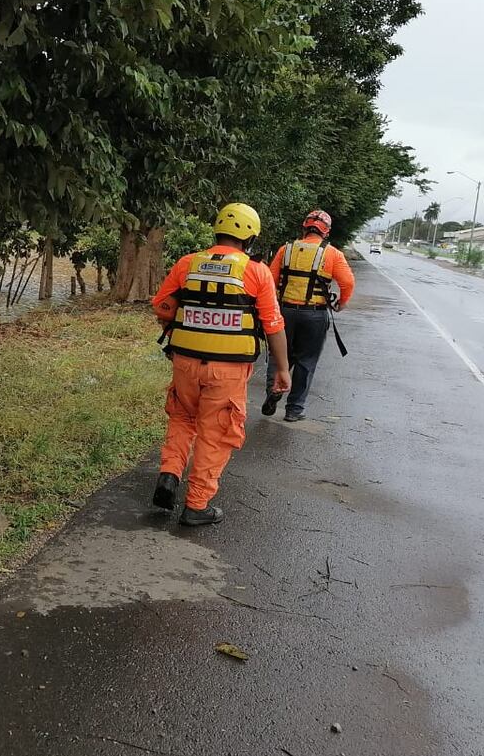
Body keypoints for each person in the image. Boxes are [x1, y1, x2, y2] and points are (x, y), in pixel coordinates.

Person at [151, 203, 291, 526]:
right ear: (250, 238)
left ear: (217, 230)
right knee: (216, 431)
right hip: (227, 371)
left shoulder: (188, 263)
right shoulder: (256, 272)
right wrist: (282, 369)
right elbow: (273, 325)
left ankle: (170, 474)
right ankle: (196, 504)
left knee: (183, 418)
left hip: (184, 363)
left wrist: (177, 329)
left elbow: (162, 306)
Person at [262, 209, 355, 423]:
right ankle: (294, 409)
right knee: (306, 361)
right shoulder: (332, 254)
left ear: (304, 228)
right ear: (326, 232)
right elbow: (347, 282)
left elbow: (269, 279)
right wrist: (341, 303)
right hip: (314, 315)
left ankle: (273, 391)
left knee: (279, 356)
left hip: (284, 312)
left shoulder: (286, 250)